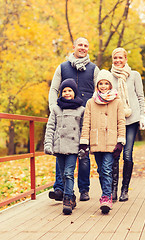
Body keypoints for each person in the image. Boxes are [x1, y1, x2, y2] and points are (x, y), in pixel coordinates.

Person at [48, 37, 100, 201]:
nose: (83, 48)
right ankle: (59, 189)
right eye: (80, 45)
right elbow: (54, 89)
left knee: (83, 154)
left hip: (84, 118)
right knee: (61, 151)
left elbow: (99, 91)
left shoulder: (93, 69)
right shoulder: (63, 67)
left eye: (86, 45)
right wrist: (53, 109)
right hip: (64, 117)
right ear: (74, 47)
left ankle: (84, 189)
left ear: (88, 48)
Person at [79, 69, 126, 214]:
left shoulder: (117, 102)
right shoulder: (90, 102)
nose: (104, 86)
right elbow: (86, 122)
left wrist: (120, 141)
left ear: (111, 85)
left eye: (106, 83)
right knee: (101, 170)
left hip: (111, 142)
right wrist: (84, 142)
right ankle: (106, 195)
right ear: (97, 85)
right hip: (96, 141)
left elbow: (121, 122)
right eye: (101, 83)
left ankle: (106, 197)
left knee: (106, 169)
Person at [110, 47, 145, 202]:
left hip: (131, 120)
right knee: (115, 154)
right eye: (115, 58)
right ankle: (112, 190)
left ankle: (125, 189)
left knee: (127, 154)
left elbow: (140, 97)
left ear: (125, 59)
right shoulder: (108, 76)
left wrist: (142, 116)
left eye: (121, 58)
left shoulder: (134, 75)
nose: (118, 61)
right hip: (114, 120)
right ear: (112, 59)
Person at [44, 78, 85, 214]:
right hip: (59, 146)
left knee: (69, 173)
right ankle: (71, 195)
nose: (67, 93)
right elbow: (50, 127)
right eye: (64, 91)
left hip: (73, 147)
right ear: (61, 93)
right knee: (62, 175)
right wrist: (48, 144)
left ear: (75, 92)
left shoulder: (81, 110)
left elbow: (83, 129)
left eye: (70, 90)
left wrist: (84, 146)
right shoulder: (56, 109)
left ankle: (67, 199)